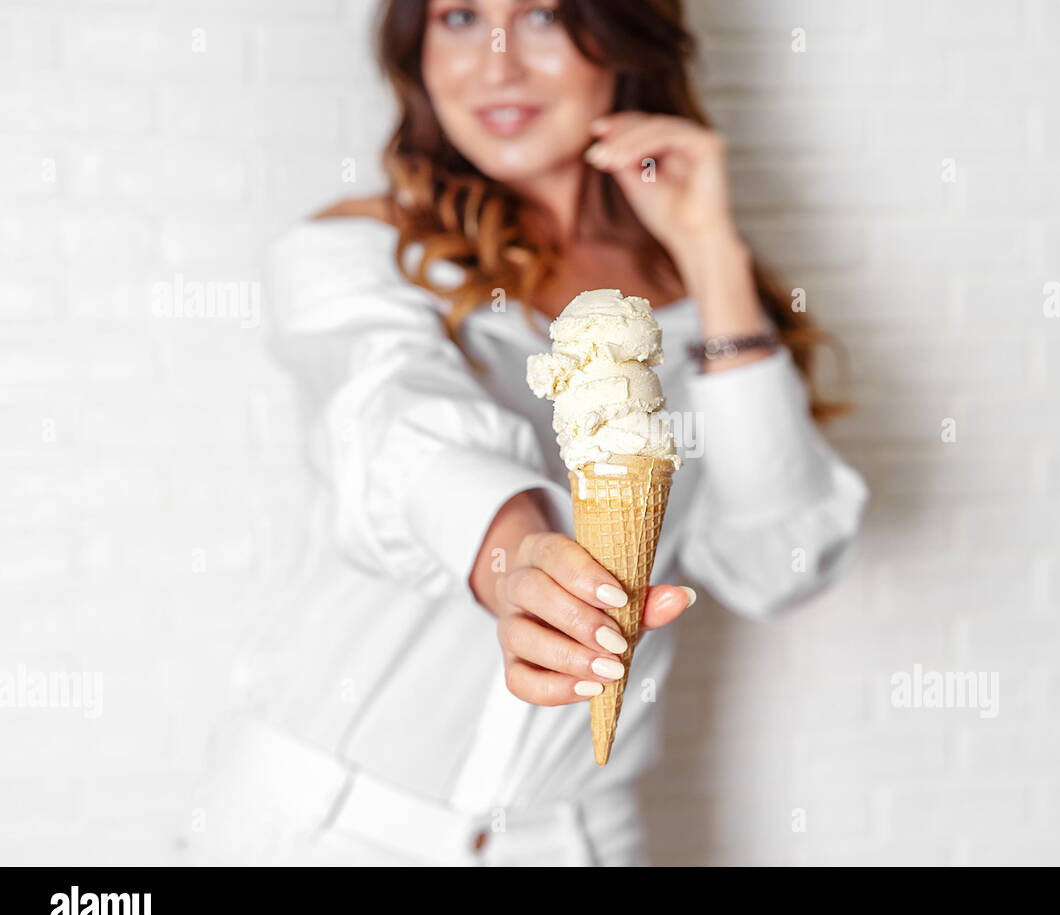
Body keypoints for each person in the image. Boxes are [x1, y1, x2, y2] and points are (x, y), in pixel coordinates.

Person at [192, 0, 868, 867]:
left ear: (620, 38)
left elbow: (783, 563)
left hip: (573, 840)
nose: (497, 64)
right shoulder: (360, 253)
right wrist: (512, 558)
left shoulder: (703, 307)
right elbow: (392, 421)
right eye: (461, 17)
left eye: (542, 15)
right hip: (321, 827)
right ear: (418, 48)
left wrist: (710, 255)